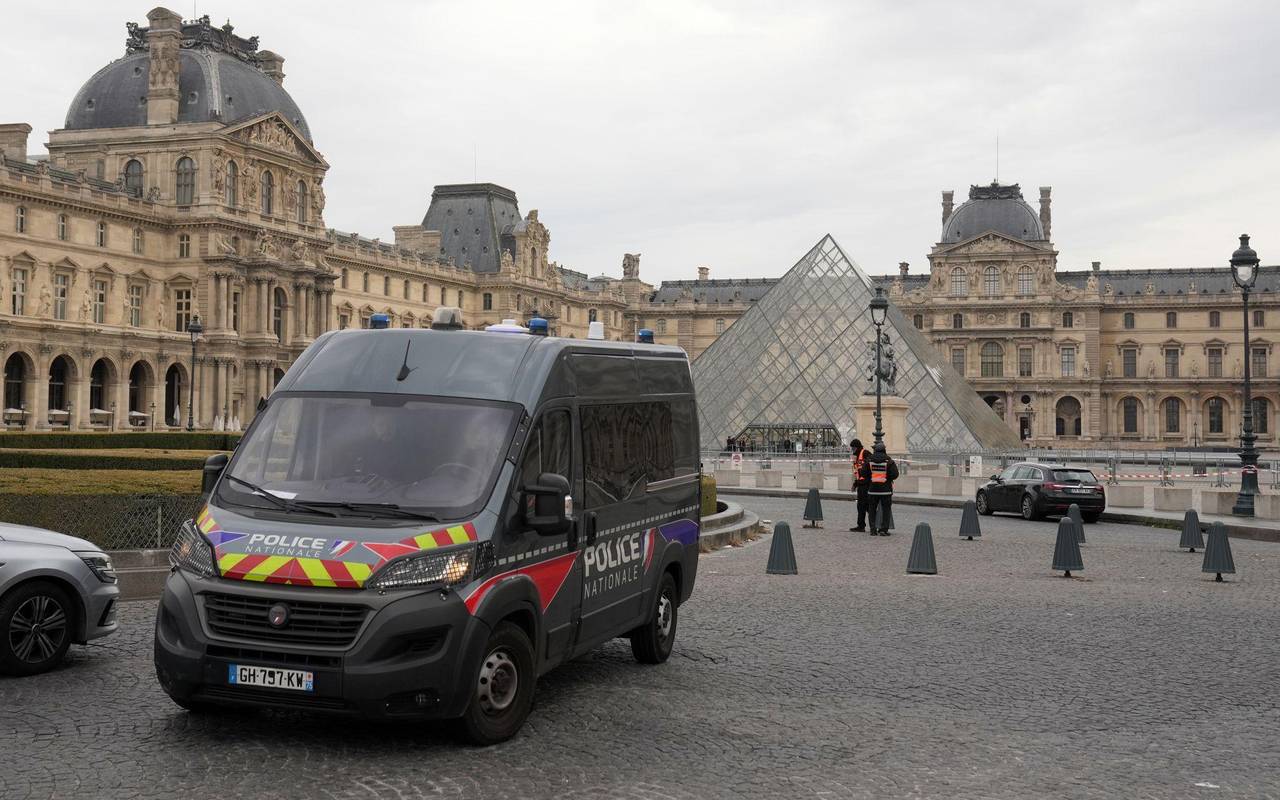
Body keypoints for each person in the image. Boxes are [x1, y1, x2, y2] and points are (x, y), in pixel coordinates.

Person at [859, 443, 899, 536]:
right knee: (886, 510)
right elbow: (895, 474)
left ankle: (873, 529)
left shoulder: (869, 460)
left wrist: (870, 478)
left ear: (875, 450)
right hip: (886, 490)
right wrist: (888, 478)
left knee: (872, 509)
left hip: (872, 489)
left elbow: (863, 473)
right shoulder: (889, 461)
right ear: (884, 450)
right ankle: (883, 529)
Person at [848, 438, 869, 532]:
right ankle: (861, 525)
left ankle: (874, 525)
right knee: (861, 506)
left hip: (866, 484)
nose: (852, 450)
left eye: (853, 448)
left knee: (867, 506)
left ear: (856, 447)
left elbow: (868, 469)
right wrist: (855, 484)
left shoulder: (865, 453)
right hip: (861, 484)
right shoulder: (856, 457)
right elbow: (857, 472)